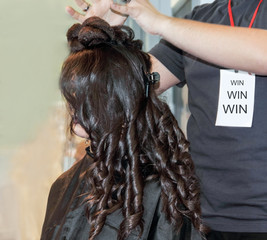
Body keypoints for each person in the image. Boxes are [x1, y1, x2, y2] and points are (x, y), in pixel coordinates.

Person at [65, 0, 267, 239]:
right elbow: (128, 85)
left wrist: (161, 23)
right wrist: (105, 39)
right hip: (202, 217)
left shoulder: (183, 29)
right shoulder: (199, 20)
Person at [41, 16, 208, 240]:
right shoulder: (63, 185)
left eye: (83, 95)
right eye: (70, 94)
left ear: (116, 101)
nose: (72, 104)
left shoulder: (160, 195)